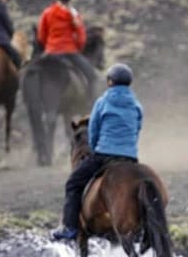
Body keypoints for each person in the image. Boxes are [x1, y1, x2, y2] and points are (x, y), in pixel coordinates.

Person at [51, 63, 143, 241]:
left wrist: (95, 149)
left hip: (104, 155)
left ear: (110, 82)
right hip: (129, 157)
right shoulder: (137, 105)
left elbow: (93, 130)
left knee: (73, 183)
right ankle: (141, 229)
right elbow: (137, 129)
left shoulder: (102, 102)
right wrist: (129, 150)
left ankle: (70, 227)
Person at [37, 0, 98, 99]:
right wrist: (78, 48)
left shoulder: (47, 12)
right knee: (92, 76)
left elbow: (41, 35)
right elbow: (81, 37)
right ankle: (91, 103)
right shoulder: (73, 14)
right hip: (69, 51)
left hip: (50, 51)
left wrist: (49, 47)